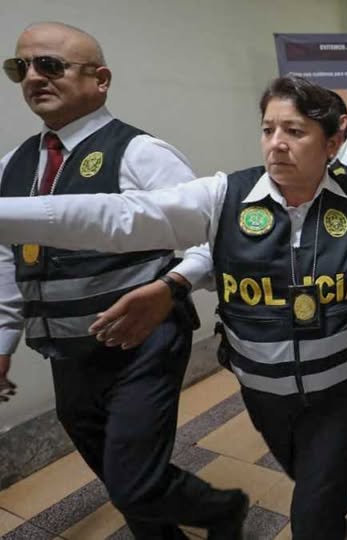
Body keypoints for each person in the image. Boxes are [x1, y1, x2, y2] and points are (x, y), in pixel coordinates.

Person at [0, 76, 347, 540]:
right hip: (266, 391)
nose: (277, 144)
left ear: (332, 143)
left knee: (314, 511)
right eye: (269, 130)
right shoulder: (226, 195)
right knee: (316, 469)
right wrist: (173, 283)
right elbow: (120, 217)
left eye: (295, 131)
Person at [0, 22, 247, 539]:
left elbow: (211, 236)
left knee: (134, 481)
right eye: (21, 67)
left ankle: (223, 509)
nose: (33, 77)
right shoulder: (12, 167)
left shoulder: (139, 152)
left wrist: (170, 288)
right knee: (118, 477)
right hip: (69, 350)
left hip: (144, 342)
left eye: (50, 65)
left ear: (101, 79)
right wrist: (3, 342)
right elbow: (7, 261)